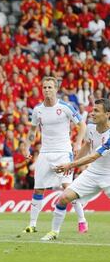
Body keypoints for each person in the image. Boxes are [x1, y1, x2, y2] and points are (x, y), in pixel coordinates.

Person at [23, 76, 87, 234]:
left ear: (56, 89)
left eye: (50, 87)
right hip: (45, 153)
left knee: (68, 189)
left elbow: (82, 125)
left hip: (63, 153)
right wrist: (27, 146)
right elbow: (32, 130)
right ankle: (32, 225)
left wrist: (78, 143)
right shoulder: (38, 110)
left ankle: (82, 221)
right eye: (44, 87)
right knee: (38, 189)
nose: (47, 90)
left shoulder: (65, 107)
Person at [41, 98, 110, 241]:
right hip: (92, 173)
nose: (92, 113)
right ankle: (54, 232)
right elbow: (87, 145)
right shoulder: (91, 127)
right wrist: (73, 162)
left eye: (96, 111)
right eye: (92, 110)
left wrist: (70, 165)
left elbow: (93, 157)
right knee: (64, 198)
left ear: (107, 114)